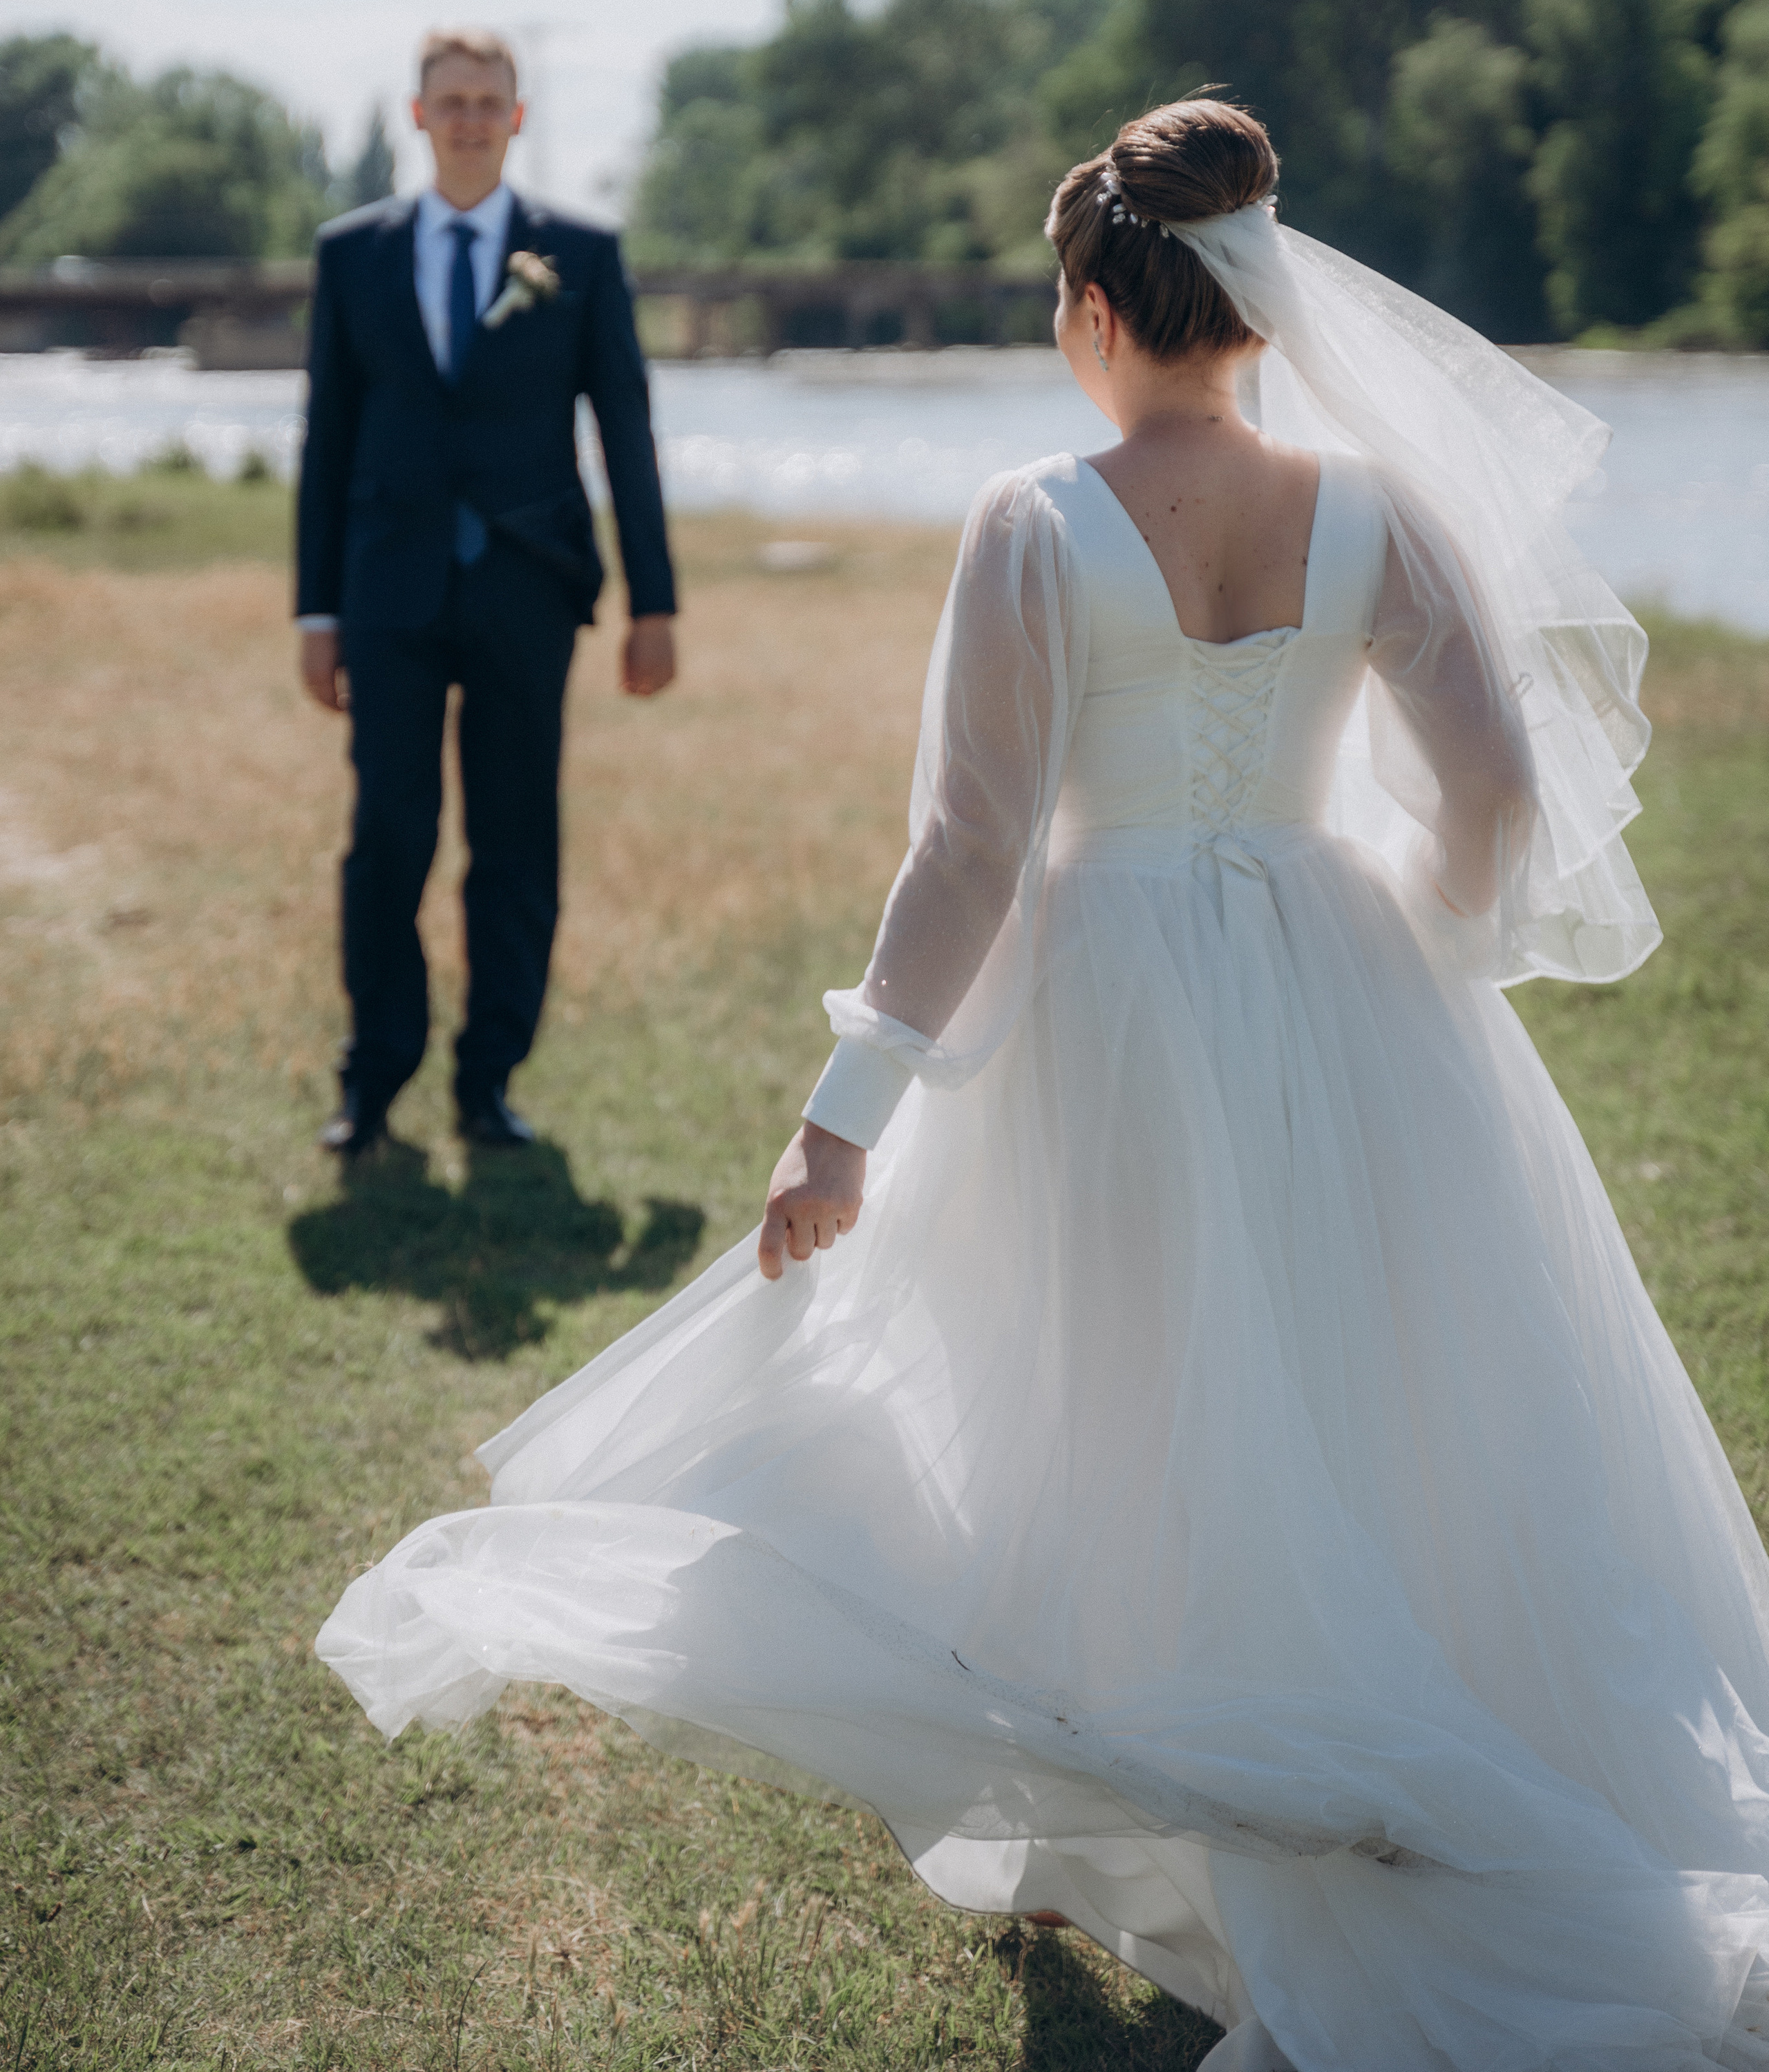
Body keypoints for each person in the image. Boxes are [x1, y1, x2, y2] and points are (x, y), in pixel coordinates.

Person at [317, 100, 1769, 2066]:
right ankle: (1340, 1748)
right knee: (1358, 1372)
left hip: (1109, 1004)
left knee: (1105, 1384)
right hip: (1350, 982)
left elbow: (971, 857)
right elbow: (1500, 792)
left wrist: (844, 1110)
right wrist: (1406, 941)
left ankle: (1138, 1797)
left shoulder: (1035, 520)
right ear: (1254, 309)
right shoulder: (1379, 511)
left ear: (1092, 304)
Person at [295, 28, 676, 1155]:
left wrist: (654, 601)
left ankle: (489, 1080)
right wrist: (316, 610)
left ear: (517, 116)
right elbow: (328, 441)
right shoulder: (351, 253)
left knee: (516, 841)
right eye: (449, 100)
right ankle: (375, 1076)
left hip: (528, 588)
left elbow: (626, 432)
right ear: (417, 115)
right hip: (388, 595)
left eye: (488, 100)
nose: (467, 118)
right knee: (388, 838)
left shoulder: (584, 252)